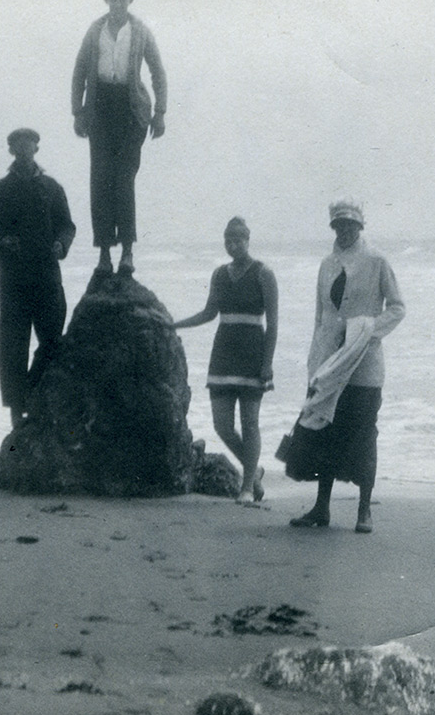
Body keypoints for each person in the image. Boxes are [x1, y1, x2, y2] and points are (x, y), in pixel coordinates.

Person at [286, 200, 405, 533]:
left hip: (364, 367)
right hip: (329, 363)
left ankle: (364, 510)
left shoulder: (377, 261)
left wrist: (367, 331)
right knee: (325, 433)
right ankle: (321, 508)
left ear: (361, 225)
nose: (344, 229)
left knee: (364, 435)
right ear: (333, 227)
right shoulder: (326, 264)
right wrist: (315, 365)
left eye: (350, 224)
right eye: (339, 224)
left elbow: (397, 308)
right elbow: (320, 317)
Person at [171, 217, 279, 503]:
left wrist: (267, 363)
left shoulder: (263, 273)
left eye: (238, 240)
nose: (233, 245)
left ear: (248, 239)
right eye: (228, 241)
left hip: (252, 353)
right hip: (223, 354)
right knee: (222, 425)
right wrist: (174, 325)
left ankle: (246, 488)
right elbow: (209, 313)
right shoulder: (219, 274)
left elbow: (274, 325)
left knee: (250, 423)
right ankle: (253, 474)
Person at [0, 128, 76, 430]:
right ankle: (16, 410)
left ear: (36, 147)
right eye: (17, 144)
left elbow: (67, 226)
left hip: (47, 276)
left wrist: (62, 243)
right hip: (14, 281)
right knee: (13, 346)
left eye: (29, 142)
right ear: (11, 151)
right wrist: (1, 243)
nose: (24, 147)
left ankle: (34, 394)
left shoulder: (51, 187)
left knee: (53, 340)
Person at [69, 0, 166, 276]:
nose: (118, 5)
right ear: (106, 2)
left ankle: (127, 252)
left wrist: (159, 112)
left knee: (123, 182)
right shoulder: (94, 30)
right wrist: (78, 111)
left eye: (123, 0)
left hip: (131, 110)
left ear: (130, 1)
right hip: (100, 110)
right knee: (100, 182)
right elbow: (79, 72)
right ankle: (104, 255)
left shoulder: (141, 31)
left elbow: (158, 72)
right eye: (113, 0)